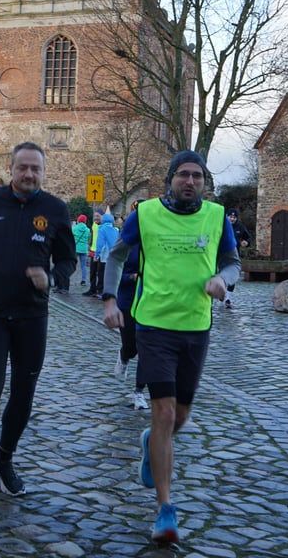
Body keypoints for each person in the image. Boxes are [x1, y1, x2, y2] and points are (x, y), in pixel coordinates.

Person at [101, 150, 240, 545]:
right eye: (183, 175)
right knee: (162, 411)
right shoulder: (144, 215)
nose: (190, 182)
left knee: (178, 418)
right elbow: (115, 255)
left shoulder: (216, 217)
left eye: (197, 176)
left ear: (205, 183)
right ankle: (165, 509)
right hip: (154, 326)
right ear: (170, 179)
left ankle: (151, 442)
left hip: (196, 327)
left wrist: (223, 280)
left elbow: (233, 263)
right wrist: (110, 299)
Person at [0, 142, 76, 497]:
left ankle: (4, 459)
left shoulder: (55, 209)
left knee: (24, 391)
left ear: (43, 172)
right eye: (22, 167)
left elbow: (68, 260)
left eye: (35, 169)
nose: (28, 174)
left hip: (31, 315)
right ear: (11, 169)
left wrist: (51, 278)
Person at [114, 200, 148, 410]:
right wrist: (132, 276)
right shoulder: (127, 242)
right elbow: (115, 269)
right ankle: (124, 354)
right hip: (127, 300)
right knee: (132, 346)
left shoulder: (156, 240)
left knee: (146, 348)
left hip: (150, 301)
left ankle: (139, 392)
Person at [224, 210, 251, 308]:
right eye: (230, 216)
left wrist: (246, 243)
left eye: (234, 217)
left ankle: (228, 299)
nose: (232, 219)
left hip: (234, 255)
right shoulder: (221, 225)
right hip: (221, 254)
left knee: (232, 276)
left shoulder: (240, 227)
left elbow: (248, 238)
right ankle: (220, 292)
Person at [95, 211, 119, 298]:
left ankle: (101, 291)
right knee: (111, 275)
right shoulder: (116, 230)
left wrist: (96, 255)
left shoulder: (102, 229)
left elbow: (100, 244)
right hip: (114, 255)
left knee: (101, 274)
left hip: (104, 256)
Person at [82, 209, 103, 296]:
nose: (95, 218)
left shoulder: (104, 225)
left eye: (97, 216)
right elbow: (92, 237)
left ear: (102, 216)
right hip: (93, 251)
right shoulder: (94, 225)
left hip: (101, 252)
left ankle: (100, 289)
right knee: (92, 272)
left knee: (100, 272)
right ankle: (92, 289)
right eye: (95, 216)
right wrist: (90, 247)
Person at [73, 214, 92, 288]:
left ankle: (67, 277)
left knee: (72, 264)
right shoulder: (87, 230)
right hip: (84, 249)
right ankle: (83, 280)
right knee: (83, 266)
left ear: (78, 220)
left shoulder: (74, 228)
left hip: (75, 248)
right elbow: (89, 239)